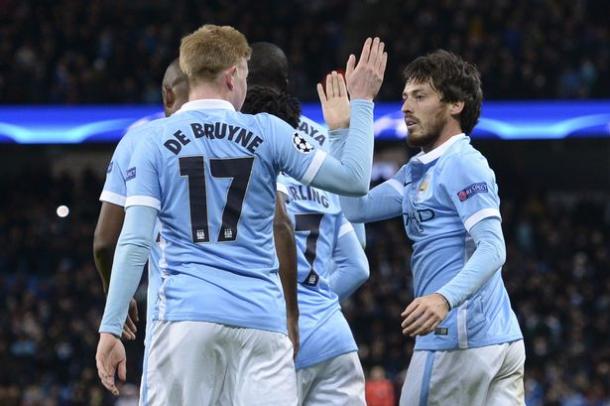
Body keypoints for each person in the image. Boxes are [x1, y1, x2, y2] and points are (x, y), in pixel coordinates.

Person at [95, 24, 387, 406]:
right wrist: (362, 101)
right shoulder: (269, 131)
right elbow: (353, 180)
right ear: (233, 75)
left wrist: (111, 327)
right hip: (262, 322)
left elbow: (132, 241)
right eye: (247, 75)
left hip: (185, 319)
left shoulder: (150, 140)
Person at [338, 50, 525, 405]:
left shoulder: (462, 163)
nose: (406, 107)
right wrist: (352, 117)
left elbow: (493, 248)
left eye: (419, 96)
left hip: (458, 340)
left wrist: (443, 298)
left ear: (455, 104)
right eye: (405, 97)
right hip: (496, 341)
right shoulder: (416, 172)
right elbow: (352, 207)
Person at [241, 84, 370, 406]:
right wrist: (318, 303)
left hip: (276, 336)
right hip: (334, 339)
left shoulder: (248, 187)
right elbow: (357, 267)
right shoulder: (321, 183)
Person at [93, 57, 189, 342]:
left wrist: (117, 296)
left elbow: (104, 242)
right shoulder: (244, 136)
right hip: (248, 315)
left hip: (173, 318)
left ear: (168, 94)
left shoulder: (140, 140)